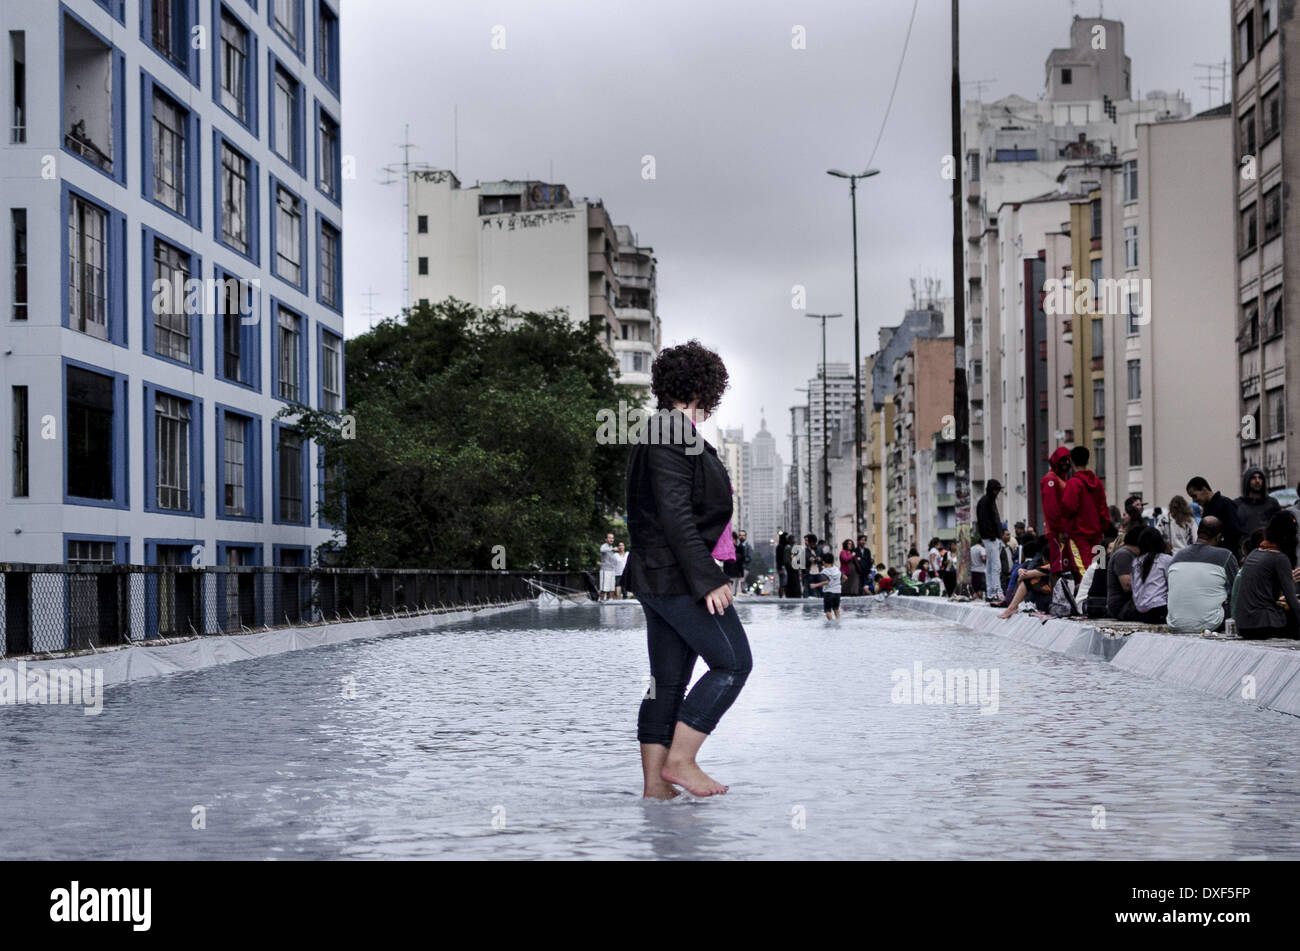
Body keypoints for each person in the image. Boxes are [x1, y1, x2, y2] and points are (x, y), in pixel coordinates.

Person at [620, 340, 752, 799]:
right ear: (706, 388)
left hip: (658, 577)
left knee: (668, 683)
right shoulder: (671, 433)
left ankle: (656, 792)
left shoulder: (661, 431)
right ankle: (681, 760)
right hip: (676, 578)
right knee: (733, 663)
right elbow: (676, 517)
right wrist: (708, 578)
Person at [1233, 511, 1300, 640]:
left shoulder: (1255, 553)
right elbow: (1292, 601)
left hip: (1243, 625)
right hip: (1264, 624)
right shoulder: (1279, 557)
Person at [1167, 517, 1238, 634]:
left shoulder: (1177, 557)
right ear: (1219, 537)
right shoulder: (1225, 556)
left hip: (1175, 623)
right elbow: (1237, 588)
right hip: (1211, 624)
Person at [1060, 445, 1111, 577]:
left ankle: (1086, 596)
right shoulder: (1098, 483)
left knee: (1084, 569)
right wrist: (1103, 528)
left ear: (1071, 461)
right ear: (1087, 460)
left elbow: (1068, 508)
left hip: (1078, 534)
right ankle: (1099, 595)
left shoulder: (1073, 483)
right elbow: (1103, 508)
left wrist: (1063, 527)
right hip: (1097, 534)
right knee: (1099, 567)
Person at [1186, 477, 1243, 557]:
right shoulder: (1207, 510)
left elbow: (1235, 533)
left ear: (1204, 489)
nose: (1194, 501)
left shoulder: (1226, 504)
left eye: (1194, 496)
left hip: (1226, 557)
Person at [996, 538, 1053, 618]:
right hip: (1051, 602)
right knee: (1032, 579)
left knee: (1029, 580)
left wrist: (1020, 572)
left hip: (1050, 604)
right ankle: (1012, 608)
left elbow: (1024, 576)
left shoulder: (1048, 567)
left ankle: (1011, 608)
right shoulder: (1045, 566)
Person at [1040, 447, 1074, 577]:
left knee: (1063, 565)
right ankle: (1057, 596)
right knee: (1058, 565)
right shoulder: (1051, 480)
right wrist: (1060, 529)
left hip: (1061, 530)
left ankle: (1061, 595)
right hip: (1057, 531)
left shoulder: (1060, 479)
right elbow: (1051, 509)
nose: (1066, 463)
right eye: (1062, 460)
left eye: (1067, 460)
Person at [1129, 526, 1173, 624]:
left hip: (1141, 611)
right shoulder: (1164, 559)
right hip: (1159, 608)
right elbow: (1173, 584)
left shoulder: (1135, 562)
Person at [1106, 526, 1144, 621]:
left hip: (1129, 604)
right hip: (1122, 606)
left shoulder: (1132, 555)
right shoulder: (1124, 554)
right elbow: (1127, 585)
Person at [1236, 466, 1281, 544]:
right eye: (1253, 478)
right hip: (1245, 549)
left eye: (1260, 478)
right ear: (1247, 481)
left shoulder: (1272, 504)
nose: (1257, 481)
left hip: (1267, 548)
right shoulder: (1237, 504)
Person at [976, 479, 1004, 601]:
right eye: (995, 489)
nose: (997, 492)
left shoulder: (988, 501)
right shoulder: (986, 502)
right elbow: (984, 521)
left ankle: (991, 592)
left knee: (990, 566)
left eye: (998, 489)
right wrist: (993, 535)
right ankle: (996, 591)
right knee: (996, 566)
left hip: (992, 538)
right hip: (991, 538)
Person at [809, 552, 842, 620]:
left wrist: (815, 585)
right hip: (837, 592)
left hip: (829, 593)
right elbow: (845, 578)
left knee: (827, 611)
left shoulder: (824, 571)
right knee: (836, 609)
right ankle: (838, 622)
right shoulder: (837, 569)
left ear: (823, 562)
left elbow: (826, 582)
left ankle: (831, 623)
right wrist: (838, 583)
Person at [599, 532, 618, 601]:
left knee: (612, 588)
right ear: (606, 539)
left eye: (612, 538)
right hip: (605, 570)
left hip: (612, 570)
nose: (611, 539)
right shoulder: (604, 546)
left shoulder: (611, 547)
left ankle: (611, 601)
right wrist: (612, 549)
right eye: (609, 538)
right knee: (604, 588)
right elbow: (601, 550)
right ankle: (601, 601)